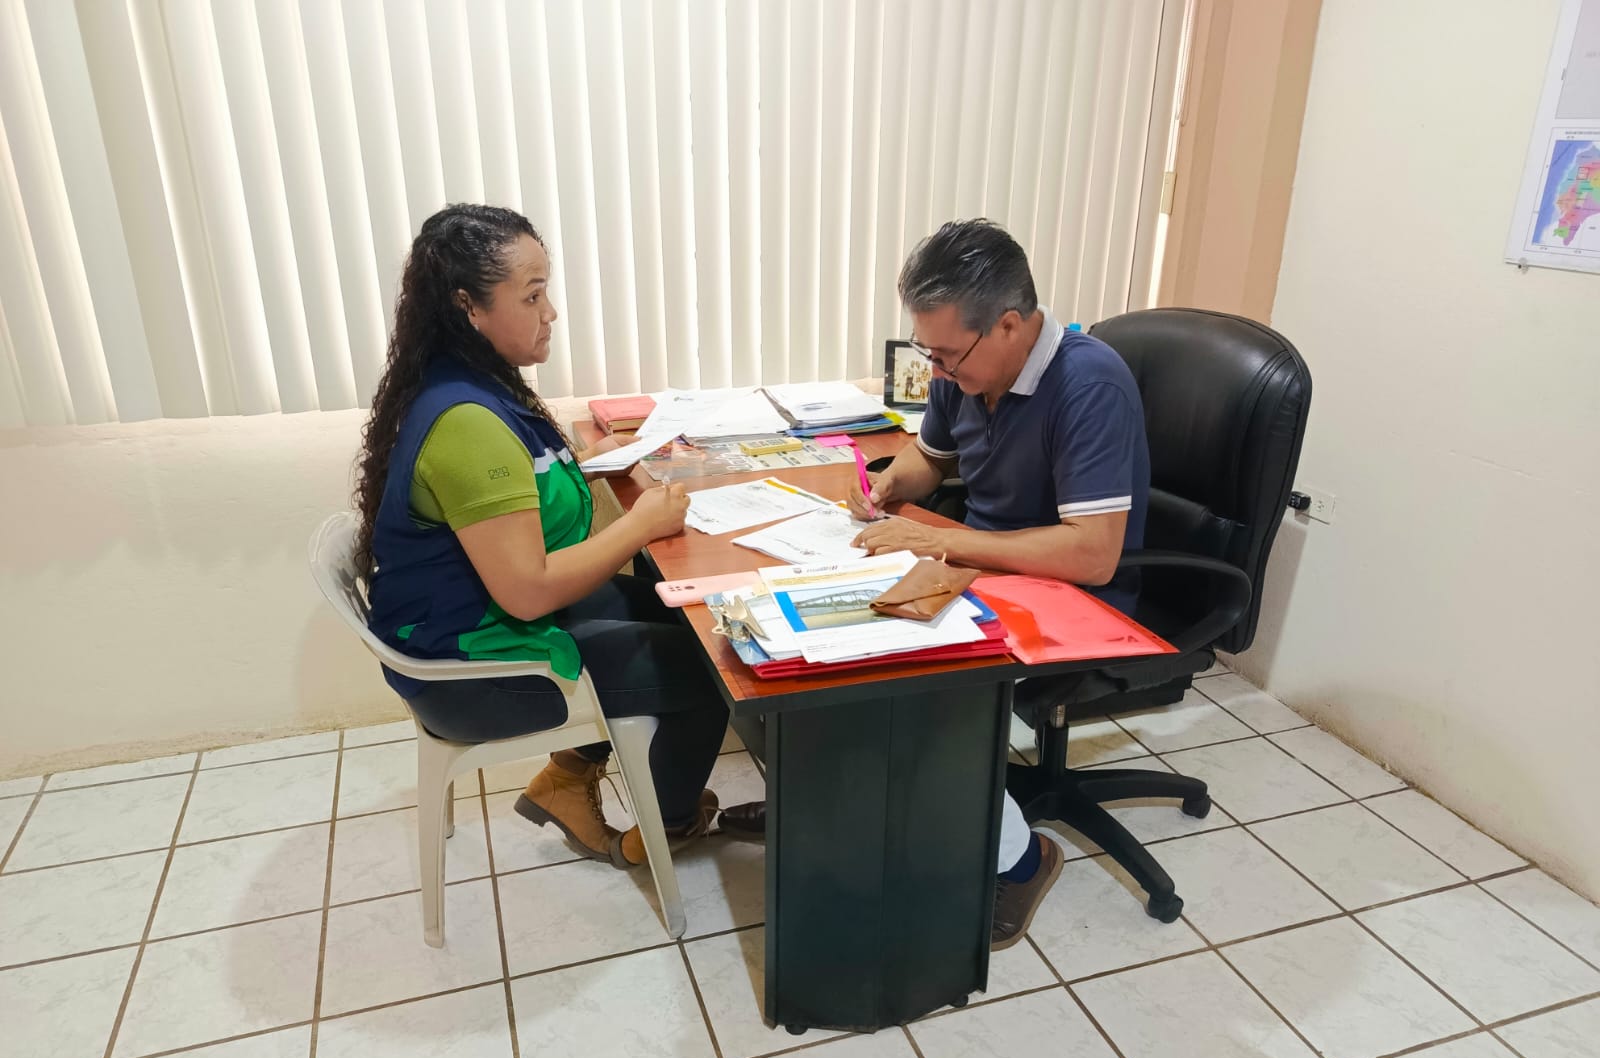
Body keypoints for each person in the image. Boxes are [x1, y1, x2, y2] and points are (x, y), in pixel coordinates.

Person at [722, 218, 1151, 949]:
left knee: (906, 689)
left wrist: (940, 542)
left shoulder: (1089, 386)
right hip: (975, 572)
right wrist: (888, 486)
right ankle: (819, 802)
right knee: (800, 649)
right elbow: (932, 459)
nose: (938, 372)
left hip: (1071, 597)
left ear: (1009, 324)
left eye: (948, 355)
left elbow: (1093, 554)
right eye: (930, 352)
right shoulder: (965, 372)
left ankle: (1022, 862)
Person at [353, 203, 728, 870]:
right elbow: (527, 591)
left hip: (479, 620)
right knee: (711, 664)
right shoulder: (467, 422)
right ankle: (667, 828)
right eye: (531, 296)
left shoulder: (470, 384)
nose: (549, 312)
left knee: (682, 610)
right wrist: (640, 523)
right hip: (473, 670)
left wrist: (595, 463)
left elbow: (517, 497)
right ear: (469, 307)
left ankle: (565, 780)